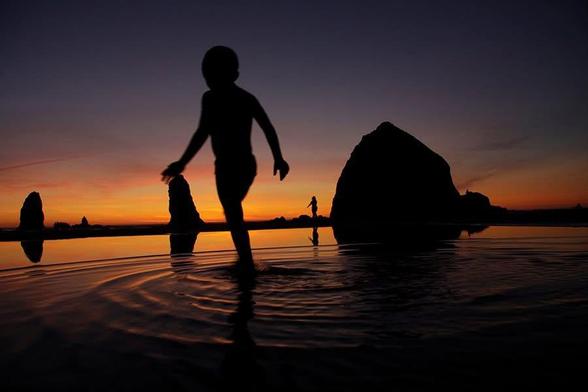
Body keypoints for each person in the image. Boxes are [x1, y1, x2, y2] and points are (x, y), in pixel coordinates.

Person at [162, 46, 289, 267]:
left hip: (243, 164)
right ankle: (246, 263)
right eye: (208, 76)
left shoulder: (245, 98)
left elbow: (267, 127)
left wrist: (278, 158)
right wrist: (181, 163)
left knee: (232, 210)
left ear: (234, 75)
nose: (211, 81)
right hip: (222, 167)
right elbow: (202, 132)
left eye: (216, 75)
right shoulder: (209, 99)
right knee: (232, 214)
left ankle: (246, 265)